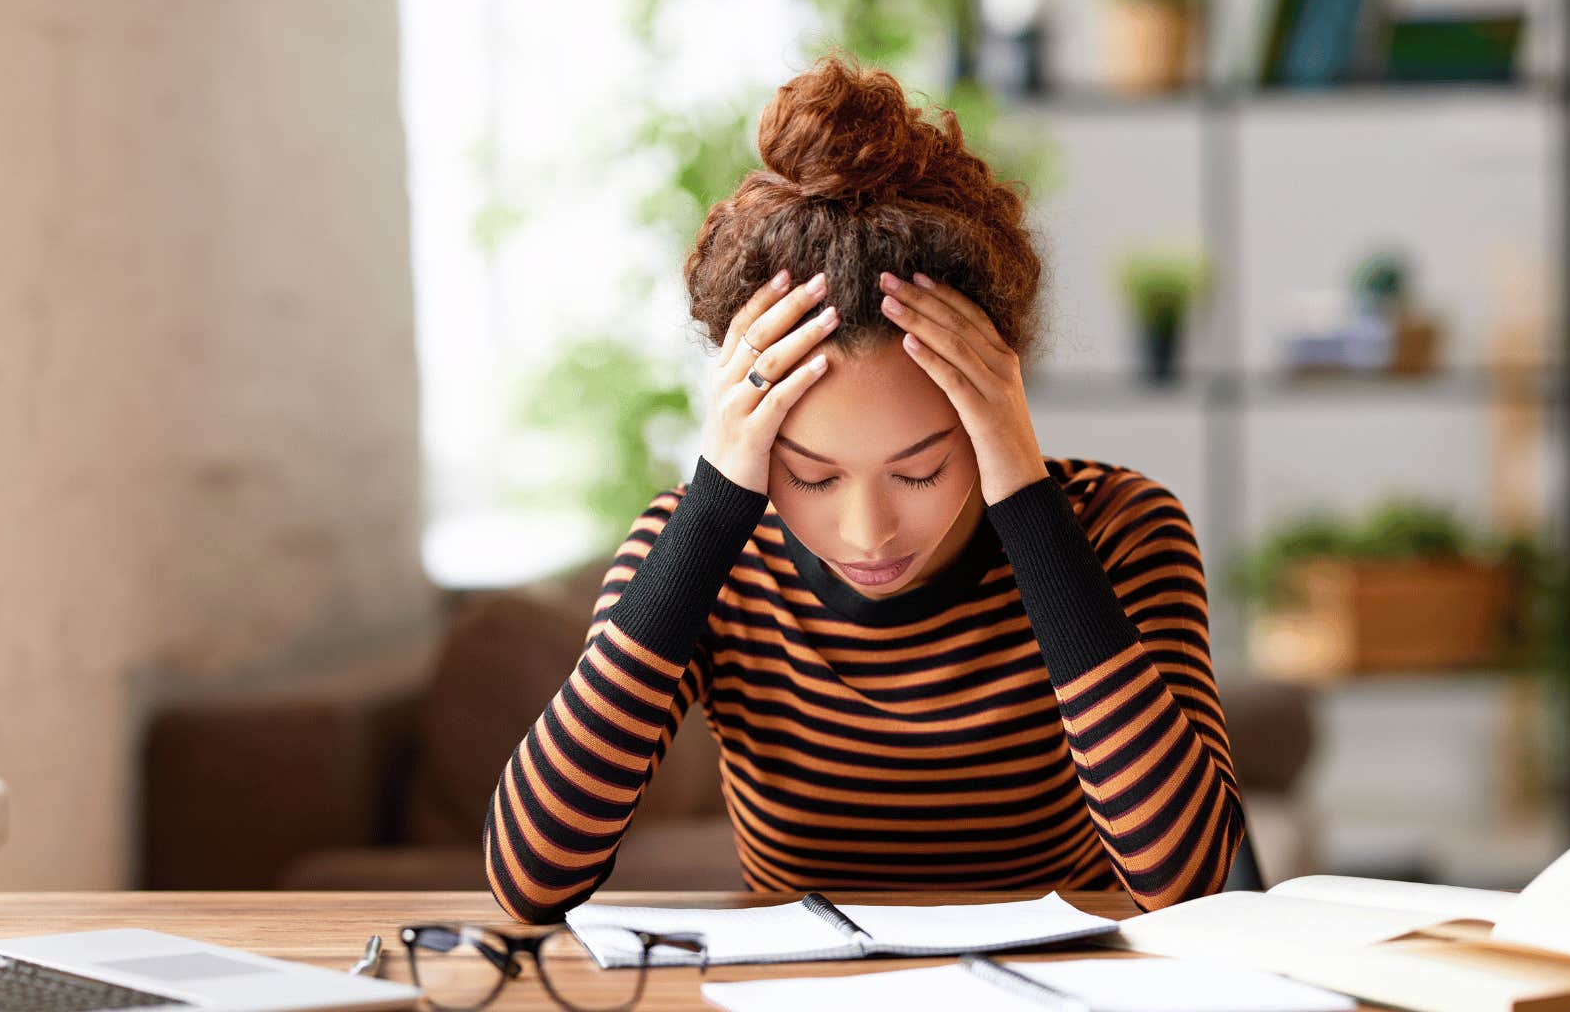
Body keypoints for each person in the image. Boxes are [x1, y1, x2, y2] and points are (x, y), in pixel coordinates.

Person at [484, 51, 1244, 923]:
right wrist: (711, 509)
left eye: (920, 468)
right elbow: (530, 879)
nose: (868, 532)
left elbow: (1186, 883)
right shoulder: (698, 550)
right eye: (810, 474)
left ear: (997, 405)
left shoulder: (1120, 530)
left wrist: (1025, 499)